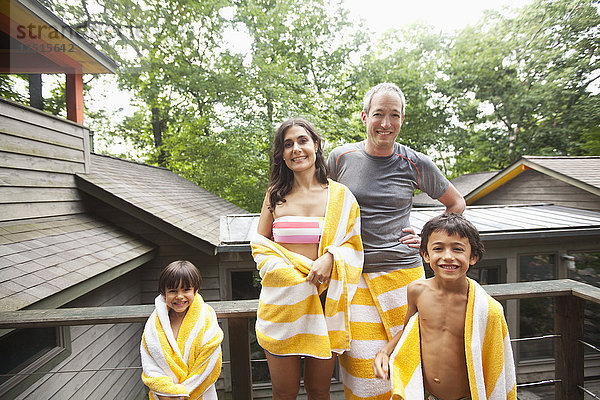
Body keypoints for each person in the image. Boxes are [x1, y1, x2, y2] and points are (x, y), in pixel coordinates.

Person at [326, 82, 466, 399]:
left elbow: (456, 204)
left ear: (402, 119)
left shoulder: (416, 163)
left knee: (408, 360)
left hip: (403, 275)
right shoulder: (340, 158)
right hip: (354, 276)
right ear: (364, 117)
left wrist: (429, 237)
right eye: (379, 114)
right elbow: (316, 200)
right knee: (364, 369)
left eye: (394, 115)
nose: (386, 124)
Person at [251, 118, 363, 399]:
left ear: (315, 145)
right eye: (288, 144)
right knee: (284, 392)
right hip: (282, 303)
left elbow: (353, 244)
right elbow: (260, 245)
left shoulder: (341, 196)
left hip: (325, 303)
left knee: (319, 391)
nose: (296, 149)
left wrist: (331, 257)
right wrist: (288, 276)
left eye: (302, 141)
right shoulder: (274, 196)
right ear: (282, 154)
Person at [373, 213, 517, 400]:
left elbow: (495, 357)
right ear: (426, 254)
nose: (447, 257)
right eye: (438, 248)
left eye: (457, 249)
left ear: (473, 257)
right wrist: (384, 352)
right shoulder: (417, 291)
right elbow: (408, 331)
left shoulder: (487, 310)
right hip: (429, 395)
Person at [140, 260, 224, 400]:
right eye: (173, 291)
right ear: (164, 293)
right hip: (165, 397)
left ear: (195, 290)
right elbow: (150, 361)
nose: (179, 296)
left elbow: (210, 360)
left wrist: (183, 394)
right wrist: (167, 393)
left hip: (199, 393)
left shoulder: (206, 319)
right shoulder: (154, 326)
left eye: (186, 290)